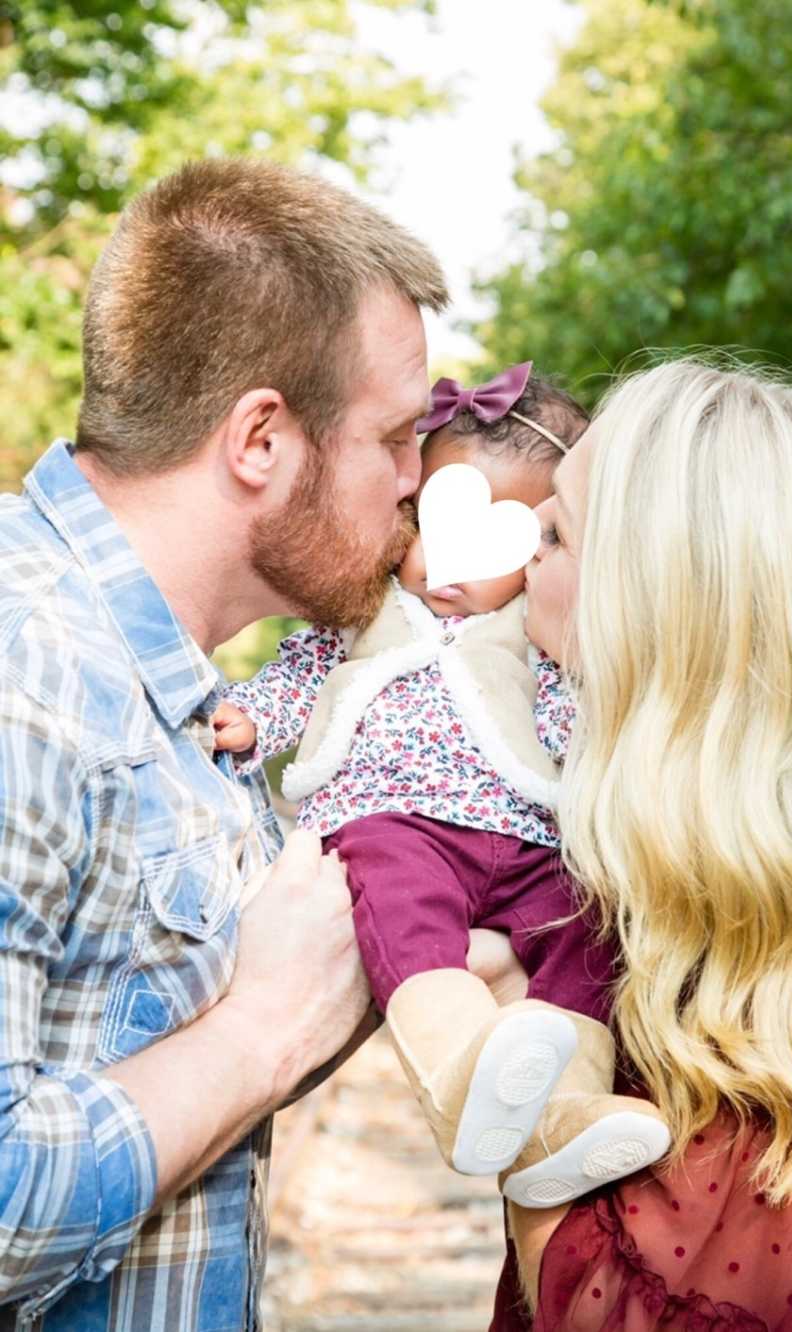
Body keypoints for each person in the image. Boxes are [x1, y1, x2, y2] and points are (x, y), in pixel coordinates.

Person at [0, 156, 458, 1331]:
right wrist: (257, 1038)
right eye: (397, 438)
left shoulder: (184, 696)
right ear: (261, 437)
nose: (416, 485)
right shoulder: (29, 676)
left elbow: (200, 1029)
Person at [492, 358, 792, 1330]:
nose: (515, 573)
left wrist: (531, 1146)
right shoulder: (770, 927)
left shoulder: (748, 1012)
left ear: (660, 625)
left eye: (554, 535)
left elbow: (627, 1308)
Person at [213, 361, 670, 1207]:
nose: (451, 568)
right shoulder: (366, 607)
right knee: (403, 911)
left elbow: (577, 722)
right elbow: (300, 671)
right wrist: (251, 717)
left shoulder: (539, 632)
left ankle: (568, 1114)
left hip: (526, 837)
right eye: (436, 528)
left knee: (583, 933)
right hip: (395, 821)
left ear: (538, 551)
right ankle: (460, 1073)